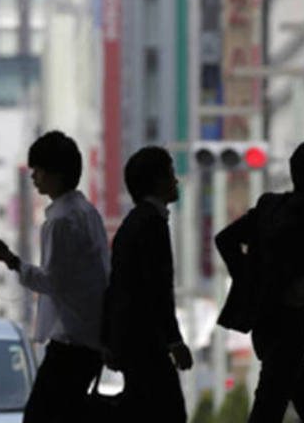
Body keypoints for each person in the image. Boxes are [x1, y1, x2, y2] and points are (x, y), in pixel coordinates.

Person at [0, 130, 110, 423]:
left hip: (71, 342)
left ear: (55, 174)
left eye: (38, 170)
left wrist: (11, 261)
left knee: (39, 417)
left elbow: (52, 283)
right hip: (91, 337)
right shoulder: (88, 212)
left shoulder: (60, 222)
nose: (34, 177)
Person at [215, 141, 304, 423]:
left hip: (263, 319)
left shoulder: (269, 205)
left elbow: (225, 239)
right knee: (272, 402)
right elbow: (303, 265)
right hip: (290, 318)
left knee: (303, 397)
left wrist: (249, 278)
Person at [103, 146, 193, 422]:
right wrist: (175, 341)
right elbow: (158, 291)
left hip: (133, 342)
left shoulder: (134, 223)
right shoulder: (150, 225)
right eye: (170, 174)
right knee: (169, 412)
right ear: (156, 182)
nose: (175, 181)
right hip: (146, 343)